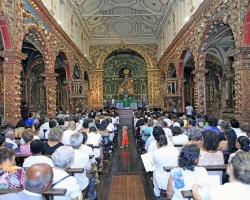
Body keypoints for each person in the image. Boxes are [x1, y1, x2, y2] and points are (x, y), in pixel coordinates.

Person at [70, 133, 97, 200]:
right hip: (80, 183)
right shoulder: (84, 155)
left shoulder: (64, 152)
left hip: (66, 183)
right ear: (80, 143)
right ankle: (92, 197)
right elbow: (88, 169)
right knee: (91, 178)